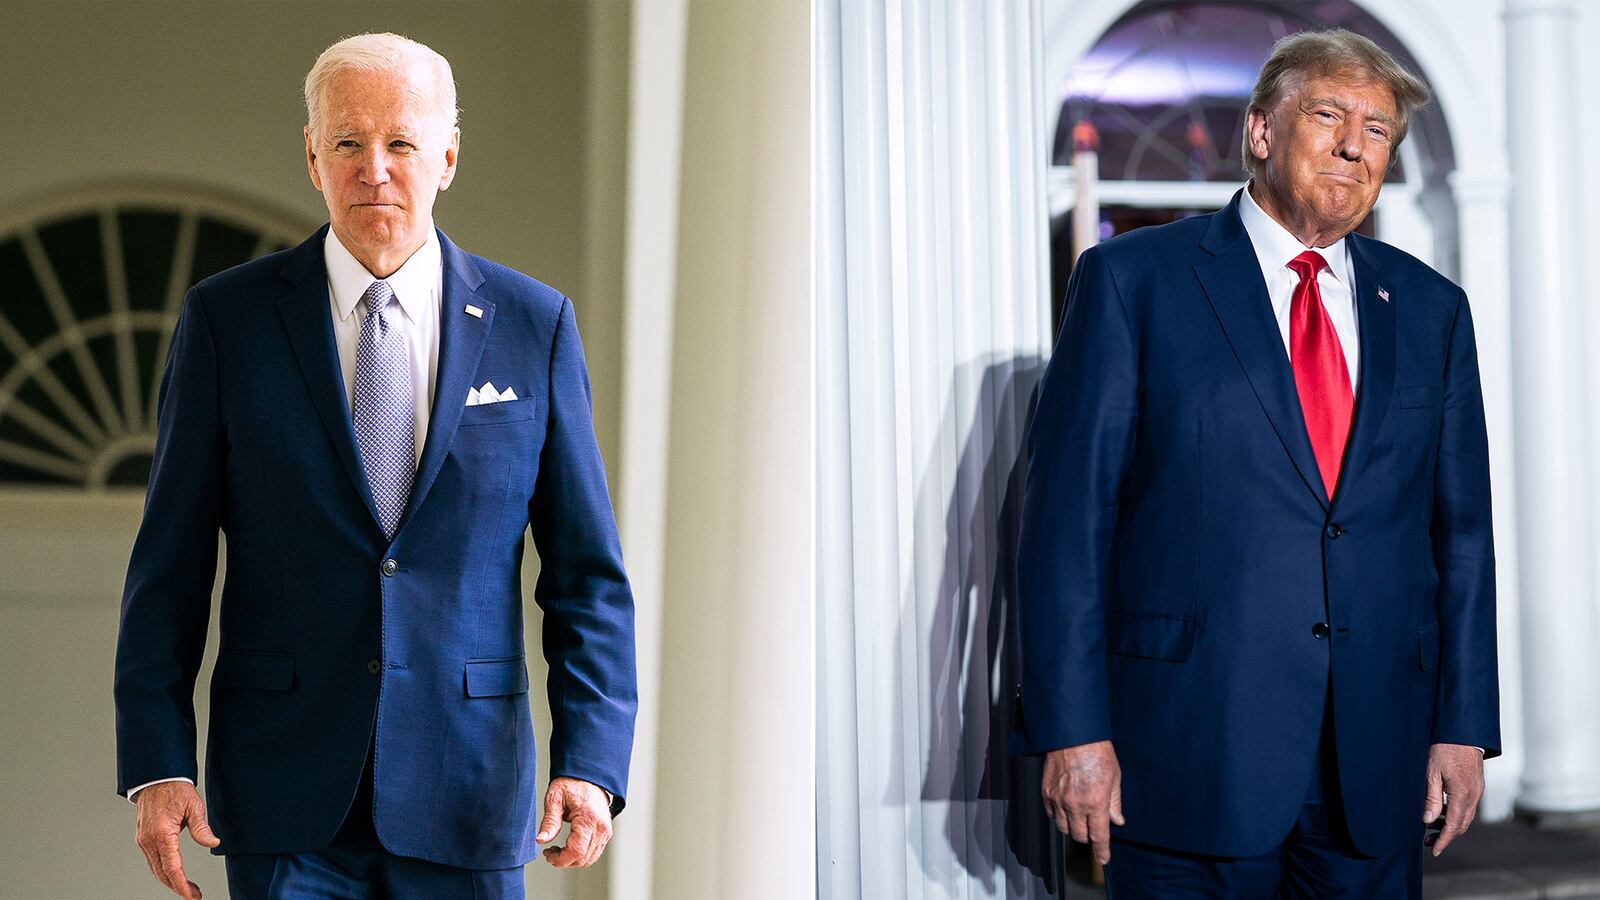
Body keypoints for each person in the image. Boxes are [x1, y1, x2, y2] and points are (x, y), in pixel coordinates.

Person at [113, 33, 635, 900]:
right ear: (313, 158)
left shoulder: (533, 324)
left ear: (448, 157)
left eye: (400, 143)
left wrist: (591, 761)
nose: (375, 169)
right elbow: (167, 568)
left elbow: (586, 578)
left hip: (467, 792)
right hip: (283, 797)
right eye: (348, 143)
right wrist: (156, 763)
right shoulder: (227, 323)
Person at [1013, 28, 1498, 898]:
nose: (1356, 143)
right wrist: (1073, 731)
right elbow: (1066, 529)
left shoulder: (1431, 309)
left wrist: (1464, 727)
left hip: (1375, 765)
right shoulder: (1133, 283)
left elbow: (1461, 538)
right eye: (1329, 114)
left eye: (1379, 128)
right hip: (1187, 756)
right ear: (1261, 131)